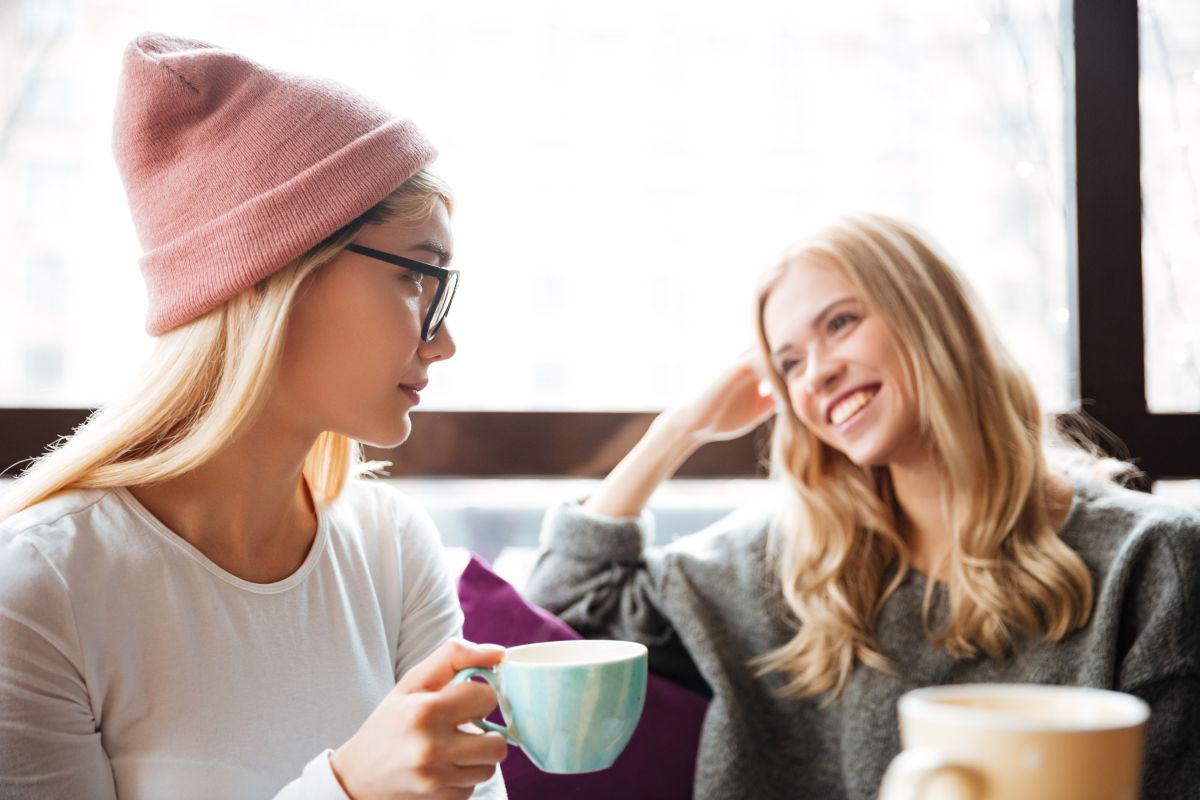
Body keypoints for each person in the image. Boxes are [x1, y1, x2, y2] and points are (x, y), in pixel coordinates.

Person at [525, 213, 1200, 800]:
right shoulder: (785, 566)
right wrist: (679, 432)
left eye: (841, 323)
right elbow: (564, 606)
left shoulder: (1150, 559)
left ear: (931, 313)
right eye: (788, 364)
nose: (815, 372)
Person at [0, 33, 507, 799]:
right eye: (417, 277)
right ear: (276, 276)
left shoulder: (393, 548)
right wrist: (346, 790)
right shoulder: (39, 590)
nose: (446, 342)